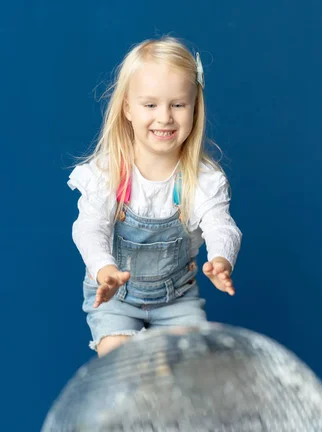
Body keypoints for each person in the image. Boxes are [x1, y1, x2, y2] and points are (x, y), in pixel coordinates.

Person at [68, 36, 242, 357]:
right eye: (150, 105)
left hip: (176, 300)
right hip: (115, 299)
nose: (164, 117)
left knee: (188, 365)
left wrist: (221, 258)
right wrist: (103, 268)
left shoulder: (203, 179)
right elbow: (89, 228)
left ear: (194, 108)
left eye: (178, 104)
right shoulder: (109, 173)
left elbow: (222, 226)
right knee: (122, 365)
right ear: (128, 109)